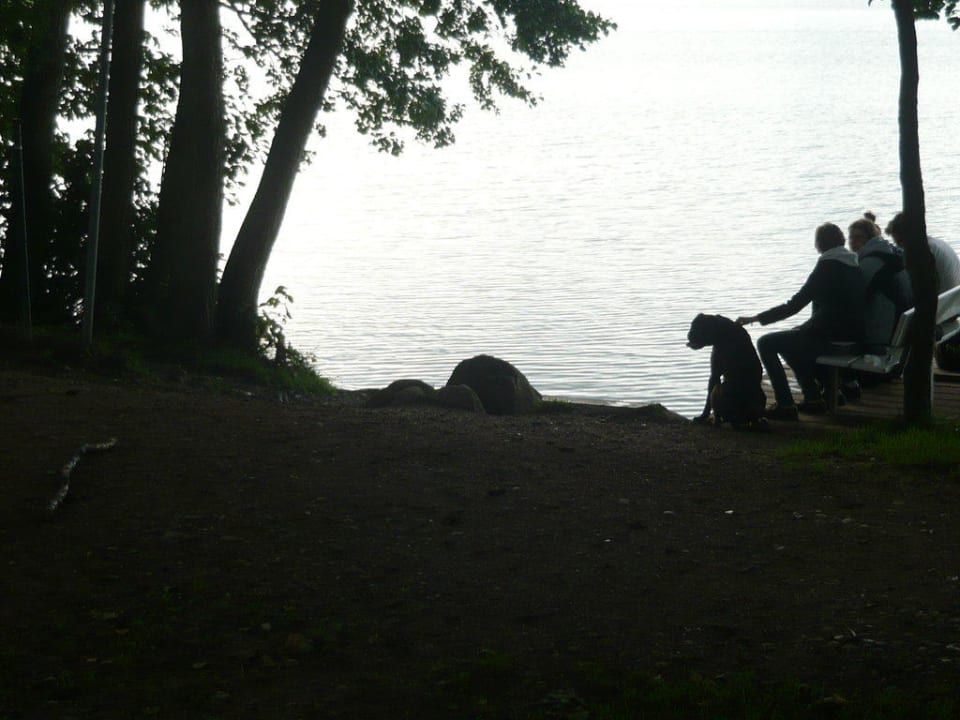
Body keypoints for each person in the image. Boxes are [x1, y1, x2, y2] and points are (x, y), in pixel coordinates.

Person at [737, 223, 866, 420]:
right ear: (841, 240)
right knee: (791, 340)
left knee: (766, 343)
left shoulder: (827, 266)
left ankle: (785, 404)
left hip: (833, 340)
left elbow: (794, 305)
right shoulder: (853, 264)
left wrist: (756, 318)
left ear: (819, 243)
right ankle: (814, 397)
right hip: (854, 339)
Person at [848, 215, 913, 353]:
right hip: (902, 325)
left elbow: (853, 300)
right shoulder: (892, 252)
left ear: (869, 238)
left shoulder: (868, 264)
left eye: (858, 237)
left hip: (883, 334)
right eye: (851, 237)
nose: (852, 242)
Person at [884, 211, 960, 292]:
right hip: (954, 294)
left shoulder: (923, 250)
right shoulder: (936, 243)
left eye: (901, 243)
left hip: (943, 297)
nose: (901, 247)